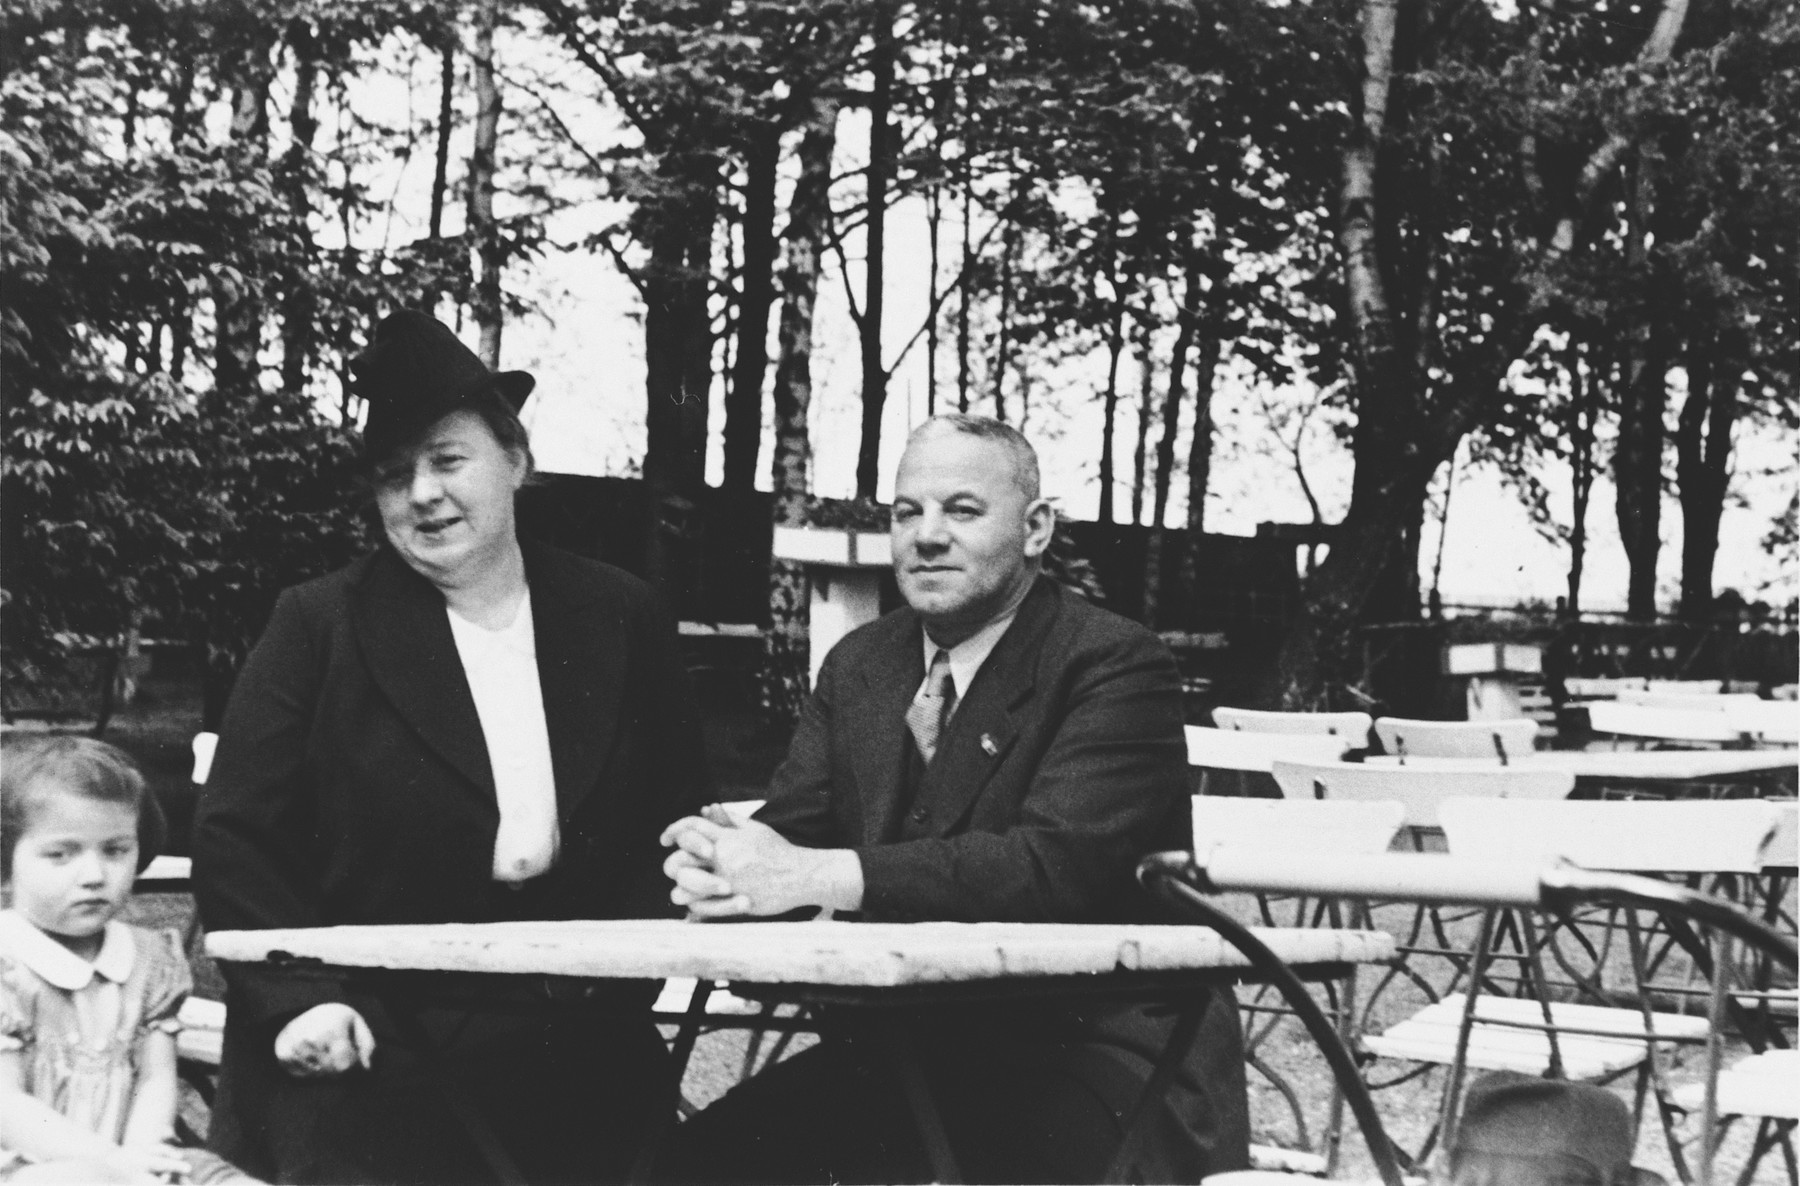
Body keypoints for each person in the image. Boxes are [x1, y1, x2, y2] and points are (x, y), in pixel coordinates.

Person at [659, 415, 1250, 1184]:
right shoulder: (862, 663)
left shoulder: (1111, 661)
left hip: (1101, 1056)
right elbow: (792, 837)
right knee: (693, 1171)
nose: (926, 536)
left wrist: (813, 876)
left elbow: (1050, 869)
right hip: (911, 1050)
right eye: (907, 512)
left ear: (1036, 528)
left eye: (962, 510)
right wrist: (724, 867)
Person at [192, 310, 709, 1184]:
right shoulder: (316, 624)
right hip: (366, 1034)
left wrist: (613, 982)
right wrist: (302, 1003)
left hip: (573, 1030)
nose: (422, 493)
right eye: (395, 476)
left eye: (448, 460)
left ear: (516, 459)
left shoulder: (621, 615)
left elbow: (674, 815)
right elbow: (237, 838)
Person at [0, 736, 257, 1184]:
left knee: (217, 1176)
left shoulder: (148, 959)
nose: (95, 876)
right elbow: (7, 1107)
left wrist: (145, 1158)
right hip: (27, 1164)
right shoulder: (7, 964)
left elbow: (156, 1078)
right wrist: (111, 1164)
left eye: (116, 850)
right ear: (5, 863)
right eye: (61, 855)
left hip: (127, 1157)